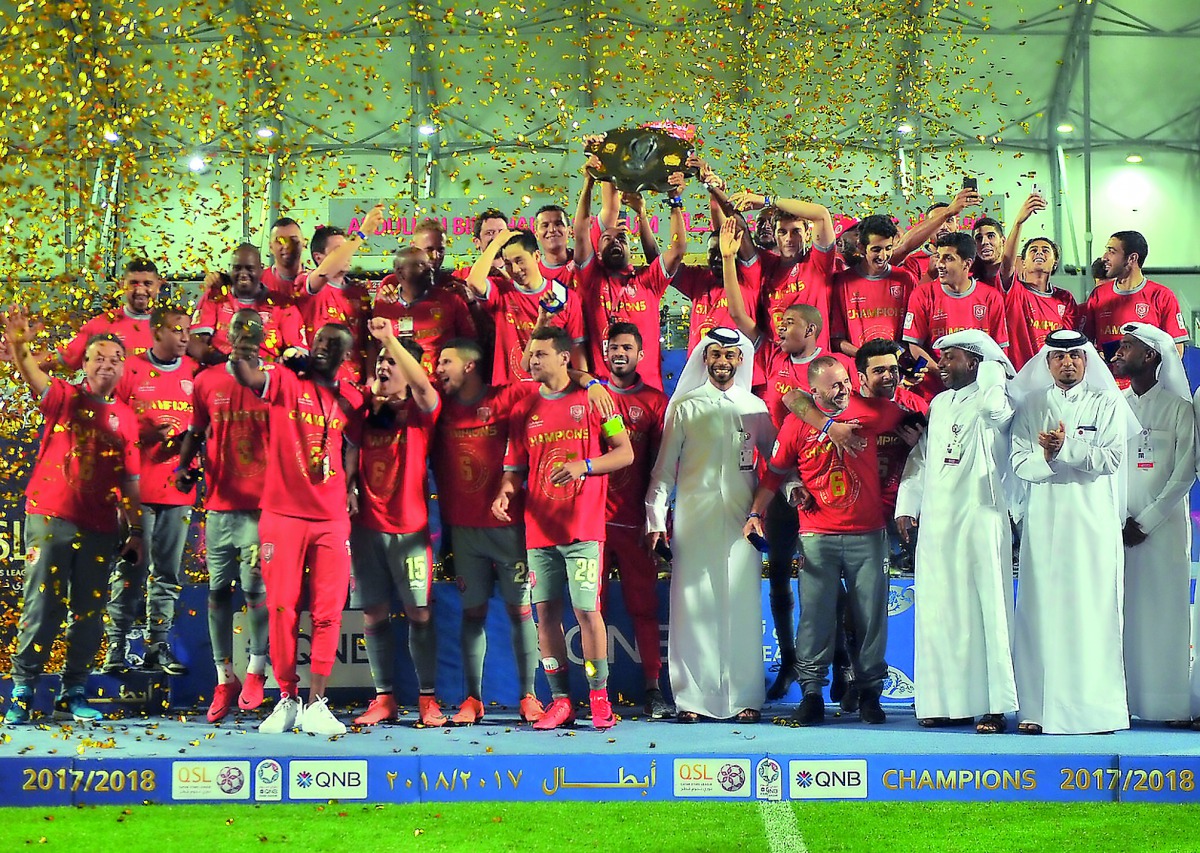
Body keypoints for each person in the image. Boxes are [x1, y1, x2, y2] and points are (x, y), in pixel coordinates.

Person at [3, 310, 143, 724]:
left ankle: (73, 691)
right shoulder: (64, 397)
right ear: (83, 364)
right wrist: (20, 345)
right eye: (98, 357)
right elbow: (32, 374)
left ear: (124, 367)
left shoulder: (127, 419)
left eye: (115, 358)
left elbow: (131, 484)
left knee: (89, 611)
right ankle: (24, 690)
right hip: (50, 516)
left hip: (100, 526)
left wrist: (135, 531)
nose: (107, 364)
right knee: (43, 605)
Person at [745, 356, 901, 727]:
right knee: (814, 620)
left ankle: (869, 695)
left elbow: (912, 421)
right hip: (817, 536)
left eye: (845, 380)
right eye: (834, 384)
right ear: (814, 390)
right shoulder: (797, 423)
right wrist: (754, 514)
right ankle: (812, 694)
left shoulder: (872, 411)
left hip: (868, 535)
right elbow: (774, 472)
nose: (844, 388)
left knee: (870, 618)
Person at [493, 326, 634, 731]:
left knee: (587, 612)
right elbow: (514, 468)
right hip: (539, 530)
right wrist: (505, 493)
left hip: (584, 529)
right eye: (530, 355)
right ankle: (559, 700)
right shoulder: (524, 408)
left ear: (563, 358)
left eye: (540, 354)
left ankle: (599, 698)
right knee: (546, 614)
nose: (532, 361)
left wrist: (583, 466)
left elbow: (623, 453)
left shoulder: (594, 401)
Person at [231, 323, 364, 735]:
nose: (322, 350)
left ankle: (316, 703)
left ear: (346, 357)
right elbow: (248, 375)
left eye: (332, 347)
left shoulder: (349, 397)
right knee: (282, 608)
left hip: (329, 518)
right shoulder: (287, 381)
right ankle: (286, 697)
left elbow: (355, 441)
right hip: (283, 514)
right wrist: (245, 346)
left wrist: (353, 483)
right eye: (319, 343)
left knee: (328, 612)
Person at [1009, 329, 1137, 735]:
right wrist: (1046, 457)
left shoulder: (1107, 402)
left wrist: (1065, 448)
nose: (1068, 363)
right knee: (1040, 610)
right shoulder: (1031, 405)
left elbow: (1112, 458)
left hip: (1092, 525)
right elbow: (1018, 464)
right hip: (1044, 522)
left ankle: (1096, 712)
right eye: (1059, 357)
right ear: (1047, 363)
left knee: (1091, 612)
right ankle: (1036, 709)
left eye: (1076, 357)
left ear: (1086, 361)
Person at [646, 328, 775, 723]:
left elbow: (777, 463)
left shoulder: (754, 407)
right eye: (714, 354)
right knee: (692, 606)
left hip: (742, 524)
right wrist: (655, 521)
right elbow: (664, 471)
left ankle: (745, 698)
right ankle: (693, 701)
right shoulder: (685, 406)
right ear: (705, 359)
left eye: (729, 355)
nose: (722, 362)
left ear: (740, 361)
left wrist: (788, 498)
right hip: (693, 520)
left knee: (741, 605)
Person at [894, 330, 1019, 734]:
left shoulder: (994, 399)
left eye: (950, 358)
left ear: (975, 362)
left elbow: (996, 415)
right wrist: (907, 507)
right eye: (940, 358)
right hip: (939, 520)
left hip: (981, 515)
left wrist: (993, 373)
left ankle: (994, 706)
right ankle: (945, 702)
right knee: (940, 610)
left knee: (988, 609)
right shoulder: (940, 403)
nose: (940, 365)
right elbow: (925, 457)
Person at [433, 338, 546, 725]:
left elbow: (553, 380)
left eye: (445, 361)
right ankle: (472, 699)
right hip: (464, 531)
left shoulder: (505, 396)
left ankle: (528, 696)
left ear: (468, 366)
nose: (437, 368)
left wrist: (594, 384)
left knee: (520, 611)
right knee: (472, 614)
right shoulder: (439, 403)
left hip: (508, 527)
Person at [176, 309, 272, 722]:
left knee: (255, 593)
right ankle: (223, 676)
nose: (246, 339)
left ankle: (255, 670)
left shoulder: (274, 382)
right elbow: (197, 431)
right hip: (218, 506)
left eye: (254, 333)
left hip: (260, 508)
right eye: (240, 332)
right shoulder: (206, 382)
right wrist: (183, 467)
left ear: (263, 338)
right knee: (217, 592)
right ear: (227, 337)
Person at [350, 319, 444, 727]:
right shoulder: (362, 411)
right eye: (380, 361)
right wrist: (349, 486)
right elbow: (347, 447)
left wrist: (389, 338)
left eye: (392, 362)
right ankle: (383, 697)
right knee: (373, 616)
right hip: (366, 530)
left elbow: (423, 389)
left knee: (419, 614)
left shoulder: (421, 411)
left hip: (410, 531)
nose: (383, 367)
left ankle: (427, 699)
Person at [105, 307, 199, 677]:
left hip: (177, 489)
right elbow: (111, 422)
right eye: (178, 331)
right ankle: (116, 648)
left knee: (167, 573)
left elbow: (204, 424)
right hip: (136, 490)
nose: (185, 337)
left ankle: (157, 646)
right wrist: (143, 435)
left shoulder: (195, 372)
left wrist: (189, 447)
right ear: (157, 333)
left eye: (188, 331)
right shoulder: (130, 371)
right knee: (131, 568)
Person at [1111, 323, 1195, 725]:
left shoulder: (1179, 409)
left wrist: (1146, 521)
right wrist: (1118, 519)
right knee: (1124, 615)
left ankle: (1168, 704)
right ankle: (1124, 701)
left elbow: (1185, 472)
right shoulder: (1115, 403)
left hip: (1163, 528)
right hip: (1118, 529)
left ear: (1150, 357)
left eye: (1128, 346)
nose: (1118, 350)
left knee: (1166, 613)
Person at [599, 322, 671, 718]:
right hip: (590, 525)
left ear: (641, 354)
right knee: (591, 611)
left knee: (643, 608)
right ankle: (597, 691)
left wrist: (656, 520)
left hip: (634, 524)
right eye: (613, 347)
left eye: (627, 347)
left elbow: (662, 469)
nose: (619, 353)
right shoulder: (591, 397)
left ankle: (653, 687)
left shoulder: (656, 403)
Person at [573, 169, 682, 389]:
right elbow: (581, 230)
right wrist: (589, 181)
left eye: (621, 238)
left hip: (648, 394)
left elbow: (678, 248)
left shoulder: (648, 281)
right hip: (605, 394)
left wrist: (673, 200)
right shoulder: (591, 280)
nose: (615, 241)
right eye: (607, 239)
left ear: (631, 249)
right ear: (599, 252)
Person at [466, 229, 588, 384]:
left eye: (520, 260)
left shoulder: (565, 297)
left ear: (536, 256)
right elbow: (473, 281)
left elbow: (576, 350)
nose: (515, 269)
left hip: (548, 394)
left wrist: (586, 384)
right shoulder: (501, 291)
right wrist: (496, 243)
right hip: (508, 393)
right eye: (508, 264)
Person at [902, 231, 1009, 397]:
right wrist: (942, 372)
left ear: (967, 264)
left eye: (948, 258)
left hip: (978, 391)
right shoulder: (922, 294)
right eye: (938, 257)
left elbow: (999, 349)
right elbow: (914, 345)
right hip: (933, 391)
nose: (940, 264)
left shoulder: (991, 297)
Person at [293, 209, 385, 383]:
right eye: (339, 251)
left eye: (348, 249)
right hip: (321, 382)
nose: (347, 254)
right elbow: (325, 272)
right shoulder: (307, 283)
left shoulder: (359, 291)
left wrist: (372, 378)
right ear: (319, 258)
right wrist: (361, 234)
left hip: (356, 385)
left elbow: (369, 340)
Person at [997, 192, 1078, 370]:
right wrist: (1018, 222)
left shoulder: (1065, 299)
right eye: (1033, 250)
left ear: (1055, 261)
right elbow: (1006, 264)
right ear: (1023, 262)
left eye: (1045, 250)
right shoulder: (1014, 291)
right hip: (1019, 378)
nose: (1039, 253)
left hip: (1053, 379)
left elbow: (1069, 342)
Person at [189, 244, 307, 366]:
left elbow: (297, 353)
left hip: (266, 375)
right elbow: (194, 342)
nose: (243, 274)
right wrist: (226, 362)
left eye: (249, 268)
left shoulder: (283, 304)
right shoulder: (216, 295)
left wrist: (282, 362)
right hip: (221, 370)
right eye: (237, 268)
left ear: (261, 269)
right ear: (229, 269)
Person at [1081, 230, 1187, 364]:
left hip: (1146, 384)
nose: (1104, 257)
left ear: (1132, 258)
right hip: (1107, 383)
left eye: (1112, 252)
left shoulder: (1162, 296)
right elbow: (1085, 343)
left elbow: (1176, 350)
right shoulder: (1099, 295)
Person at [372, 244, 476, 375]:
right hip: (398, 388)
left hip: (439, 386)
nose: (430, 268)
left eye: (428, 264)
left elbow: (470, 342)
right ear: (400, 272)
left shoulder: (451, 300)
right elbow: (374, 346)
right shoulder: (383, 304)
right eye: (421, 265)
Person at [49, 259, 162, 371]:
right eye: (133, 283)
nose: (140, 291)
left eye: (147, 284)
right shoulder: (100, 324)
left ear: (158, 285)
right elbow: (58, 361)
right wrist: (30, 358)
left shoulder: (173, 325)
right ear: (122, 285)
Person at [830, 214, 918, 357]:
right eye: (876, 249)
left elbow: (914, 334)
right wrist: (865, 356)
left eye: (888, 248)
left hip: (897, 370)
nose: (883, 256)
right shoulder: (842, 283)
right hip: (860, 371)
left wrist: (895, 355)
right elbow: (837, 339)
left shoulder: (905, 279)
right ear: (861, 247)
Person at [261, 216, 307, 299]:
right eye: (279, 241)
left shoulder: (317, 283)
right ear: (271, 247)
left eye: (293, 240)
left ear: (304, 244)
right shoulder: (259, 282)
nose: (286, 246)